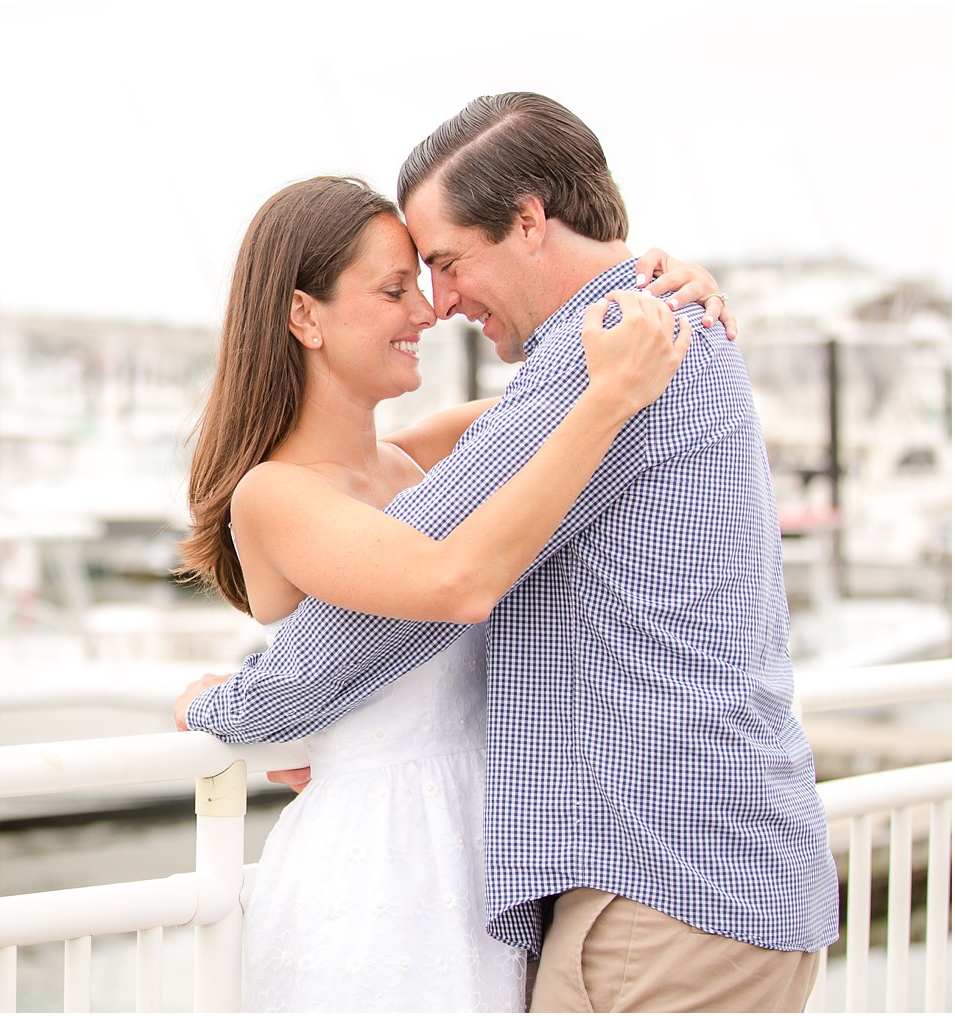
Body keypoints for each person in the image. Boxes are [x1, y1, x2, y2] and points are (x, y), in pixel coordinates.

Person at [181, 93, 838, 1014]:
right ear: (305, 315)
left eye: (440, 266)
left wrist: (233, 706)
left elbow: (429, 588)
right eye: (402, 285)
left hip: (655, 885)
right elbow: (395, 595)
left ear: (529, 220)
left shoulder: (602, 363)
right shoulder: (625, 348)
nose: (435, 305)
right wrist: (262, 711)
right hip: (476, 868)